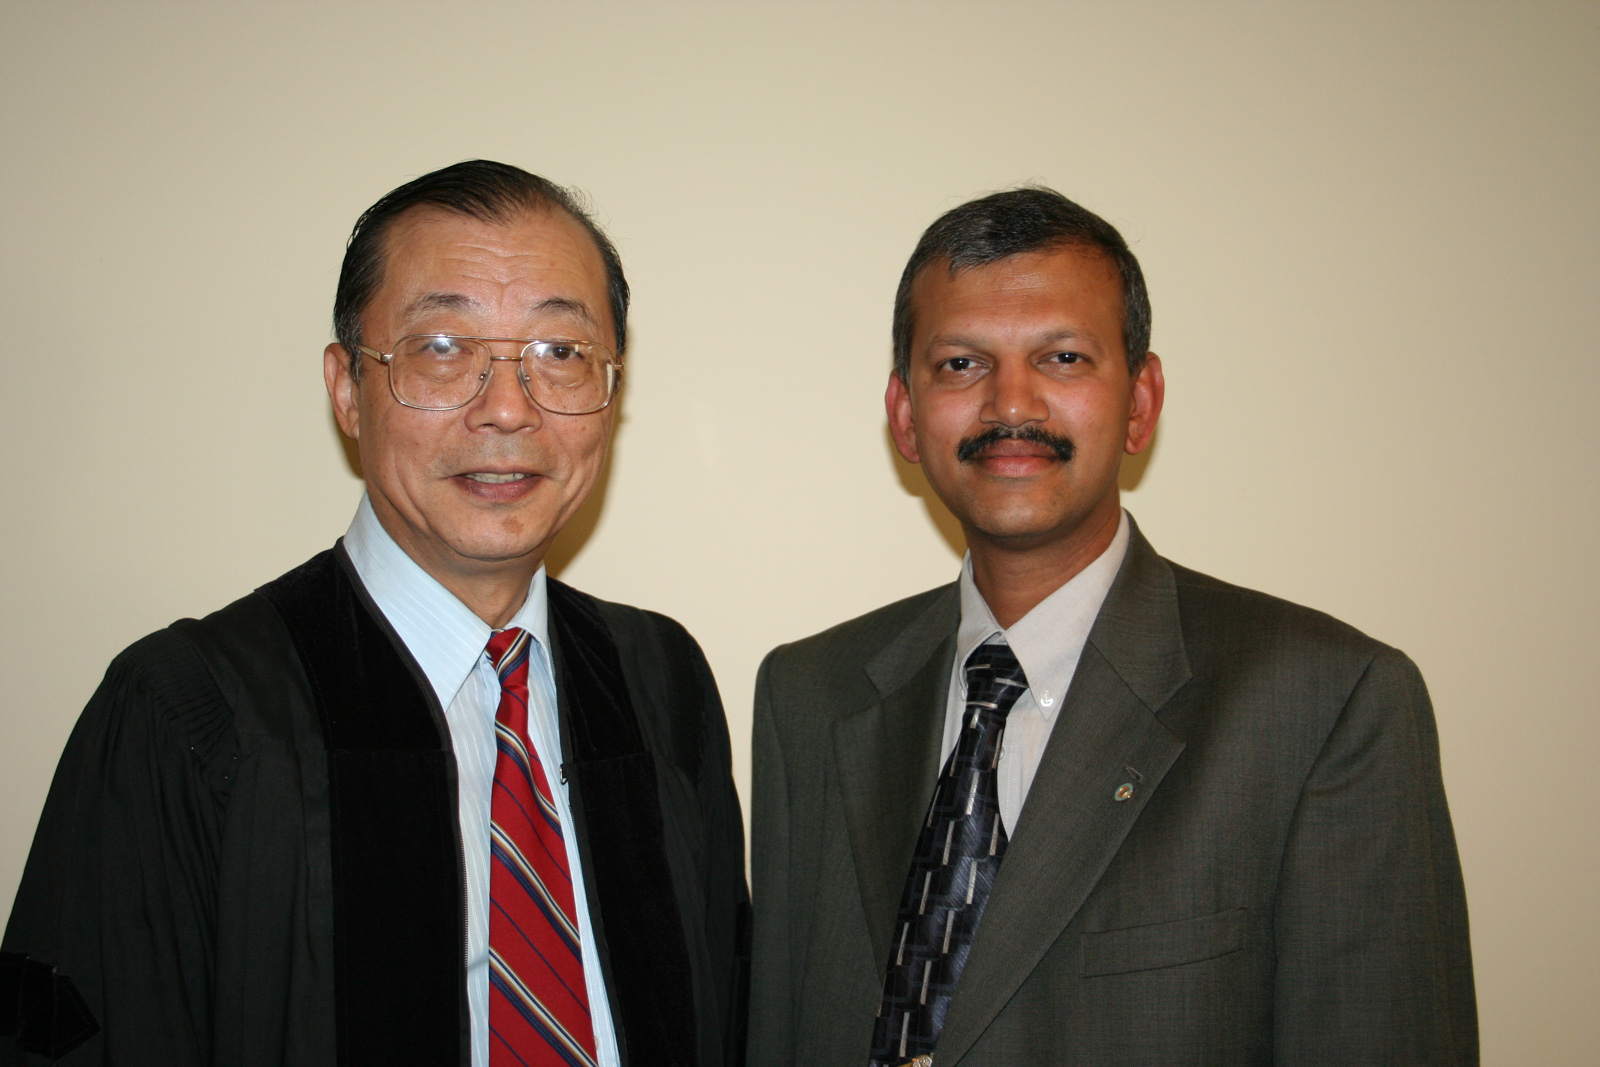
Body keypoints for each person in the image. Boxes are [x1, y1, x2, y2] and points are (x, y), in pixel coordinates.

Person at [3, 160, 749, 1067]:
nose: (507, 409)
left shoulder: (661, 681)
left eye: (560, 352)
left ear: (611, 391)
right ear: (348, 388)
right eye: (443, 346)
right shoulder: (187, 715)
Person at [747, 187, 1476, 1066]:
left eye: (1062, 357)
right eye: (961, 364)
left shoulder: (1326, 707)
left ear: (1140, 401)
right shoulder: (808, 695)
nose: (1010, 405)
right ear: (905, 414)